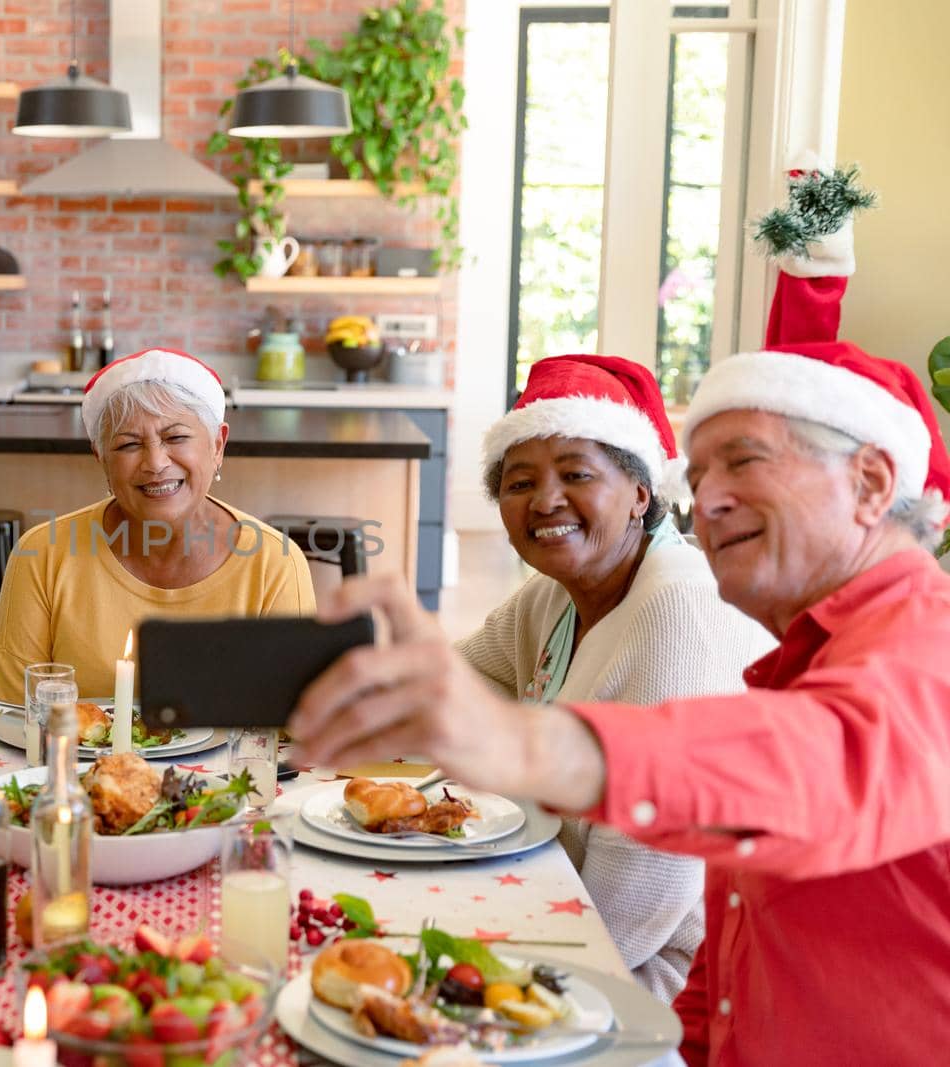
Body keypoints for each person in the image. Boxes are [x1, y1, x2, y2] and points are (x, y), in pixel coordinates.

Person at [288, 340, 950, 1066]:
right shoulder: (799, 657)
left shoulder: (927, 647)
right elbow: (728, 971)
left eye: (746, 460)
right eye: (700, 474)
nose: (711, 498)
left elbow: (825, 761)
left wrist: (519, 742)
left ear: (872, 482)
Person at [459, 354, 771, 999]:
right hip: (555, 893)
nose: (545, 501)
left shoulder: (676, 605)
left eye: (576, 474)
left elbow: (653, 874)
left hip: (659, 969)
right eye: (519, 484)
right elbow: (465, 679)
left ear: (639, 494)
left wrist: (519, 977)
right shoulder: (553, 594)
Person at [0, 348, 314, 701]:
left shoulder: (274, 563)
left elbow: (296, 726)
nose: (155, 463)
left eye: (175, 438)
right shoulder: (42, 555)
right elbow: (10, 711)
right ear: (100, 457)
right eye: (128, 444)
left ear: (218, 445)